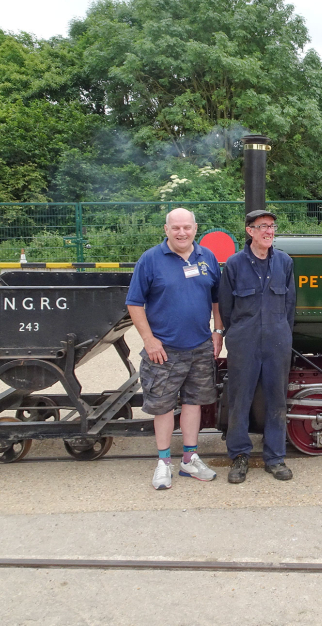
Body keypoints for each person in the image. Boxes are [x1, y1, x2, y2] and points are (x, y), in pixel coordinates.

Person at [127, 208, 223, 490]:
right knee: (164, 407)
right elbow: (134, 303)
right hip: (164, 350)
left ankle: (190, 459)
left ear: (196, 228)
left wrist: (218, 332)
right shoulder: (150, 260)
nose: (182, 233)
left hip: (200, 347)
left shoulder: (207, 258)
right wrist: (149, 340)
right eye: (175, 228)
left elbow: (217, 299)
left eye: (187, 227)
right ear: (166, 230)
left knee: (193, 404)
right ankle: (164, 462)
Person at [219, 209, 297, 483]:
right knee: (240, 399)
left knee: (277, 399)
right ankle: (239, 456)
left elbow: (290, 306)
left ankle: (275, 457)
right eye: (263, 226)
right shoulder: (234, 264)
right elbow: (227, 309)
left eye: (272, 226)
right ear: (250, 231)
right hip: (244, 341)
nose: (269, 231)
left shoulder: (284, 263)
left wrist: (281, 332)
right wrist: (238, 334)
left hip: (277, 340)